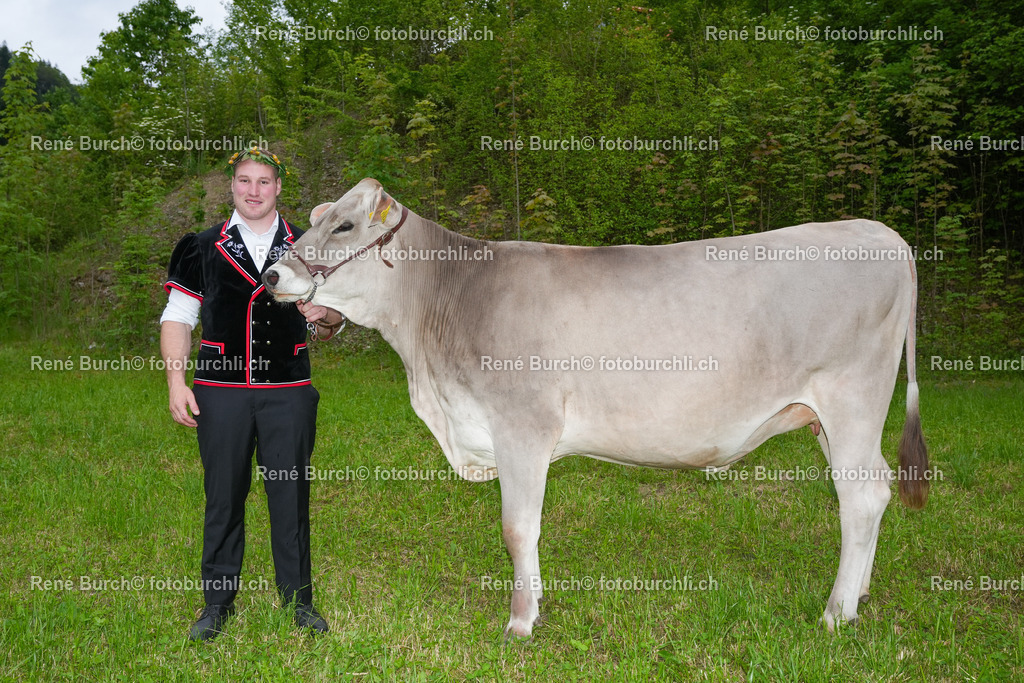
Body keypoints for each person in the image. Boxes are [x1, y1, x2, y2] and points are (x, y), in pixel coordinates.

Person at [159, 147, 345, 642]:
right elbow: (178, 318)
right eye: (245, 181)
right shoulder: (201, 246)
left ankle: (299, 602)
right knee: (223, 497)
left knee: (291, 494)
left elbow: (334, 321)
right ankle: (217, 605)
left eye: (264, 181)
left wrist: (323, 317)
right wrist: (177, 382)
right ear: (233, 186)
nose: (254, 191)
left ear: (279, 187)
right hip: (221, 393)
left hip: (289, 391)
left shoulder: (308, 244)